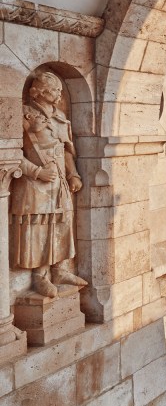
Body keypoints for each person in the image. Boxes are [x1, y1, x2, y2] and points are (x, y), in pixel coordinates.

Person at [10, 70, 86, 298]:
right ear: (40, 92)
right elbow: (12, 154)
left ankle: (60, 270)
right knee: (39, 228)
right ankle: (40, 277)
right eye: (54, 90)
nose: (59, 94)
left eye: (60, 90)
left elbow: (66, 150)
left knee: (62, 223)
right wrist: (37, 172)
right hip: (34, 184)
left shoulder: (60, 117)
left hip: (59, 182)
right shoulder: (23, 115)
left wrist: (74, 175)